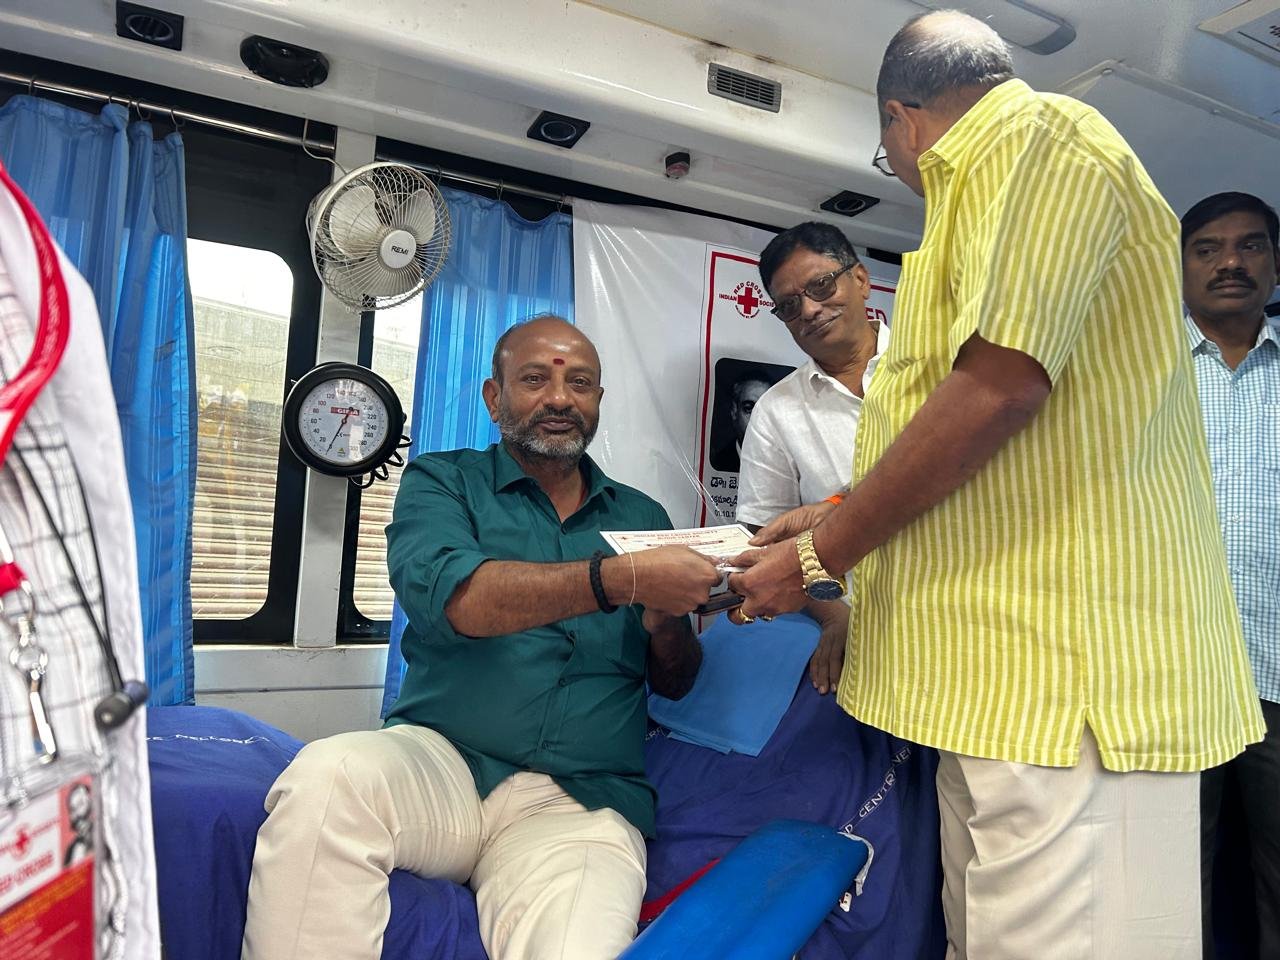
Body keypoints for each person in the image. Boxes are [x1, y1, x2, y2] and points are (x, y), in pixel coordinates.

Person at [729, 11, 1264, 959]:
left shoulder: (1040, 137)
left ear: (901, 119)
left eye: (886, 151)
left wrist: (815, 555)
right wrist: (827, 516)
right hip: (990, 689)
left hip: (1065, 690)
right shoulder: (972, 207)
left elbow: (999, 391)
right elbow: (999, 458)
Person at [241, 315, 719, 960]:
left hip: (581, 801)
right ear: (495, 398)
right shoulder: (442, 481)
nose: (560, 398)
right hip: (444, 763)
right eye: (535, 379)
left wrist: (665, 624)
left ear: (598, 402)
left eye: (580, 384)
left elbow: (676, 682)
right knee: (329, 779)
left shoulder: (644, 518)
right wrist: (623, 579)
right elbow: (461, 600)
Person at [1181, 191, 1279, 960]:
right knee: (1174, 877)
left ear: (1275, 264)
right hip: (1172, 676)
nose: (1230, 262)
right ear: (1181, 267)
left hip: (1277, 669)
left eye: (1250, 246)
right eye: (1208, 248)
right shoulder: (1140, 377)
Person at [734, 222, 888, 694]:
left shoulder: (936, 365)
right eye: (788, 305)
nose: (809, 310)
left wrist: (836, 508)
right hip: (863, 640)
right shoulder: (776, 410)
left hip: (969, 612)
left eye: (821, 286)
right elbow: (764, 546)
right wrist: (833, 614)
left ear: (860, 279)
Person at [709, 365, 777, 472]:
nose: (757, 420)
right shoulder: (717, 464)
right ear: (734, 411)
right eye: (748, 408)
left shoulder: (786, 465)